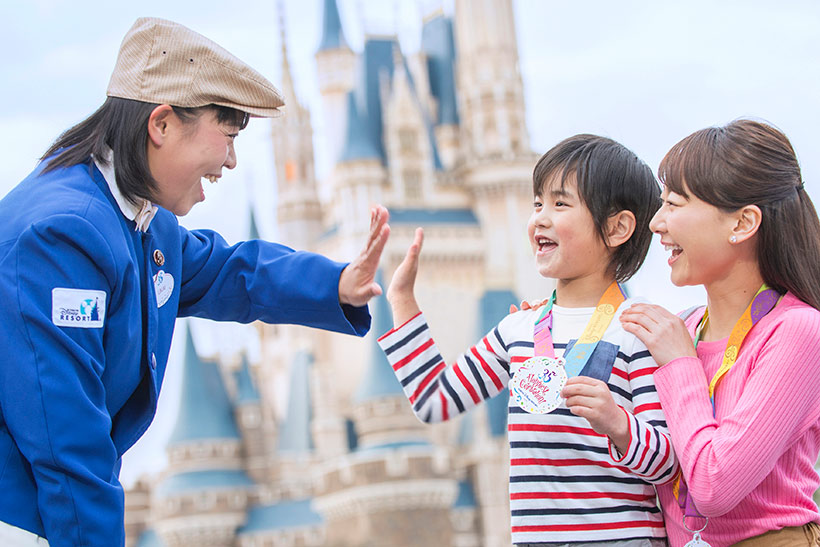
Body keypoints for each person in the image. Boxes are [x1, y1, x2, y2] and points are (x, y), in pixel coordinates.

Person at [0, 17, 390, 547]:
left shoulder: (139, 218)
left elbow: (231, 271)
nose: (230, 159)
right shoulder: (62, 237)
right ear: (160, 124)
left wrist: (338, 282)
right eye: (226, 135)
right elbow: (67, 444)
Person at [378, 134, 678, 546]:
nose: (539, 217)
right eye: (537, 203)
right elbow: (434, 400)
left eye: (560, 203)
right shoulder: (518, 330)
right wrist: (403, 301)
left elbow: (668, 463)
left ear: (617, 227)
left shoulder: (638, 329)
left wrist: (618, 423)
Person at [620, 119, 820, 546]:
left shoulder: (798, 331)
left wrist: (679, 364)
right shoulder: (683, 328)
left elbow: (714, 485)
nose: (656, 223)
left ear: (743, 223)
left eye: (674, 204)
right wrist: (543, 322)